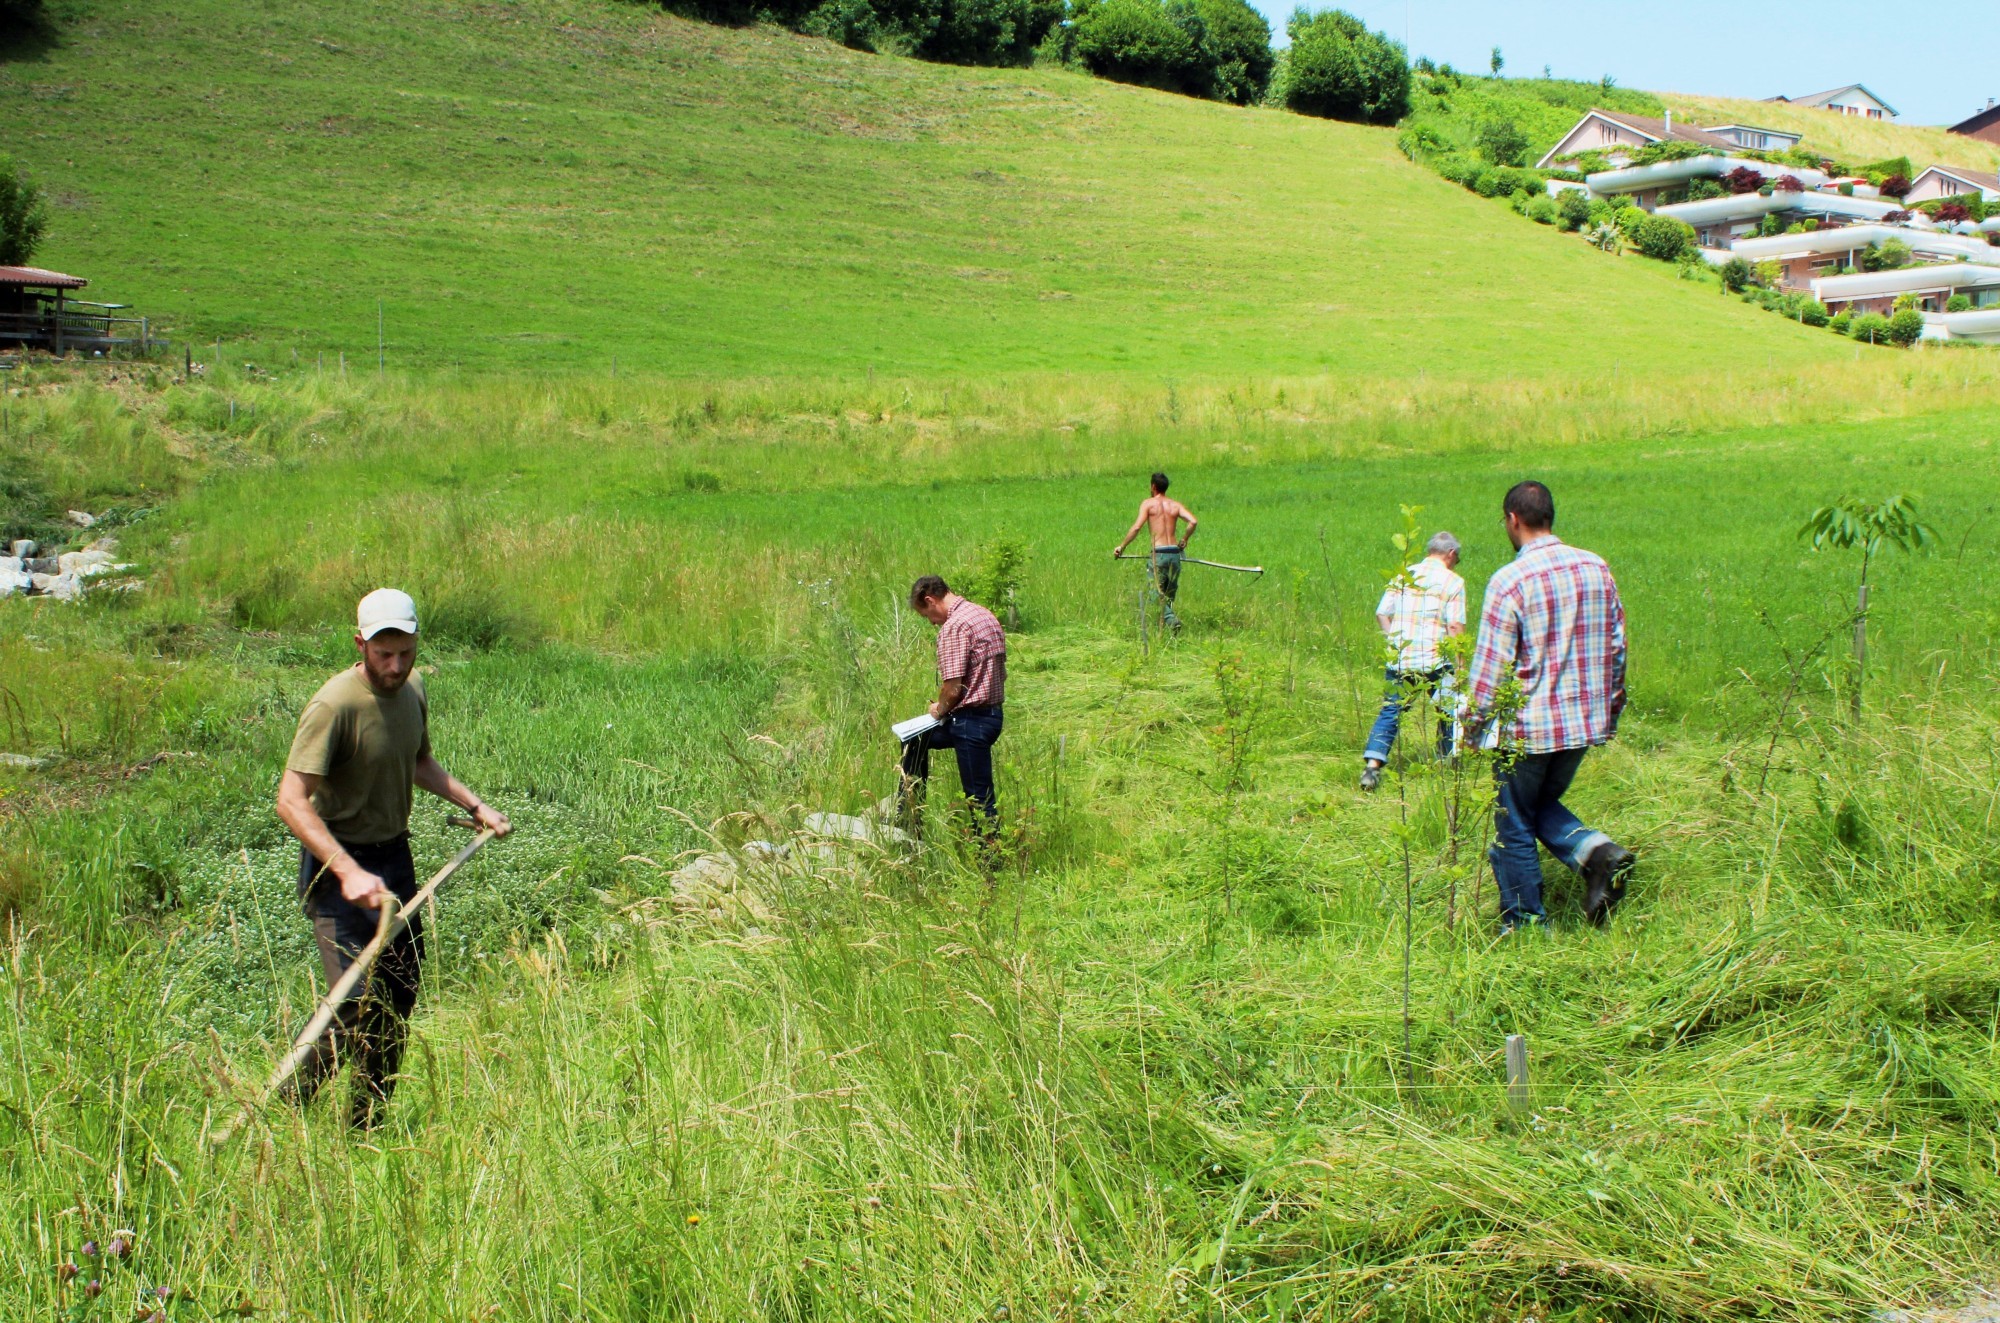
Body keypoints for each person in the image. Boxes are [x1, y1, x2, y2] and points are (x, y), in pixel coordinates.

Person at [274, 588, 511, 1128]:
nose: (395, 666)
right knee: (354, 1001)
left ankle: (367, 1123)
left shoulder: (413, 689)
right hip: (339, 871)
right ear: (361, 644)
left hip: (393, 861)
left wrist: (476, 806)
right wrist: (348, 871)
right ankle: (288, 1114)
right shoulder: (333, 705)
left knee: (399, 995)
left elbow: (418, 761)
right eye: (383, 654)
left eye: (405, 652)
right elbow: (291, 801)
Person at [1463, 482, 1635, 934]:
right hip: (1584, 722)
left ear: (1513, 520)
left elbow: (1490, 668)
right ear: (1549, 516)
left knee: (1514, 819)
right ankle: (1598, 855)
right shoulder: (1596, 568)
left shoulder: (1509, 581)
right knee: (1536, 805)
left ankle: (1526, 924)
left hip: (1530, 729)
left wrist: (1472, 726)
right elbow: (1617, 649)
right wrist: (1611, 711)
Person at [899, 574, 1006, 836]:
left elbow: (953, 688)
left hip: (972, 722)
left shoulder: (955, 626)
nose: (932, 623)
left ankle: (991, 863)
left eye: (927, 615)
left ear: (930, 600)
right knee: (914, 739)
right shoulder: (982, 614)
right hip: (991, 715)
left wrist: (939, 708)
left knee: (979, 799)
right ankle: (910, 817)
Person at [1361, 531, 1466, 791]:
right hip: (1435, 660)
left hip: (1401, 659)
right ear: (1451, 554)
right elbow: (1454, 625)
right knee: (1449, 710)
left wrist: (1394, 641)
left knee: (1390, 711)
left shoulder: (1404, 575)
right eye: (1457, 558)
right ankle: (1445, 764)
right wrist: (1461, 664)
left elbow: (1382, 613)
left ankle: (1372, 768)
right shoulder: (1453, 581)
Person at [1113, 472, 1199, 632]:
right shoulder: (1175, 505)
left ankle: (1171, 621)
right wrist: (1185, 538)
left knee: (1154, 593)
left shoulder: (1148, 504)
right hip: (1174, 554)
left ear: (1153, 486)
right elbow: (1193, 521)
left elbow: (1137, 527)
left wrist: (1122, 546)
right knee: (1168, 595)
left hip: (1158, 554)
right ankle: (1167, 633)